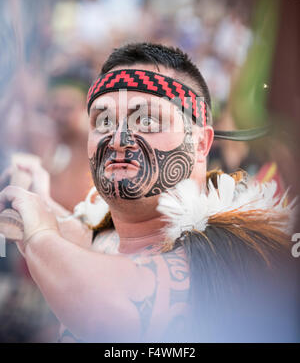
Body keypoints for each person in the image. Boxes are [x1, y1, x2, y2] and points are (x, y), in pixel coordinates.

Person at [0, 43, 297, 343]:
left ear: (201, 143)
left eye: (147, 120)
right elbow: (85, 239)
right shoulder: (107, 236)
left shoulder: (231, 251)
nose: (118, 139)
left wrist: (38, 235)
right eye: (103, 121)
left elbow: (114, 305)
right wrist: (38, 199)